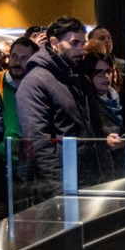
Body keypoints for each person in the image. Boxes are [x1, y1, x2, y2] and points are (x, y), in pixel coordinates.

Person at [16, 16, 111, 187]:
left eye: (83, 44)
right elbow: (38, 142)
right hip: (66, 184)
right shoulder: (35, 81)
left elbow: (94, 130)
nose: (81, 50)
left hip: (93, 180)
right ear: (54, 43)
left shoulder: (80, 78)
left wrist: (107, 171)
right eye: (74, 43)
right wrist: (59, 190)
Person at [0, 36, 35, 152]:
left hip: (27, 158)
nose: (17, 62)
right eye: (14, 56)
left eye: (24, 58)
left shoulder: (38, 86)